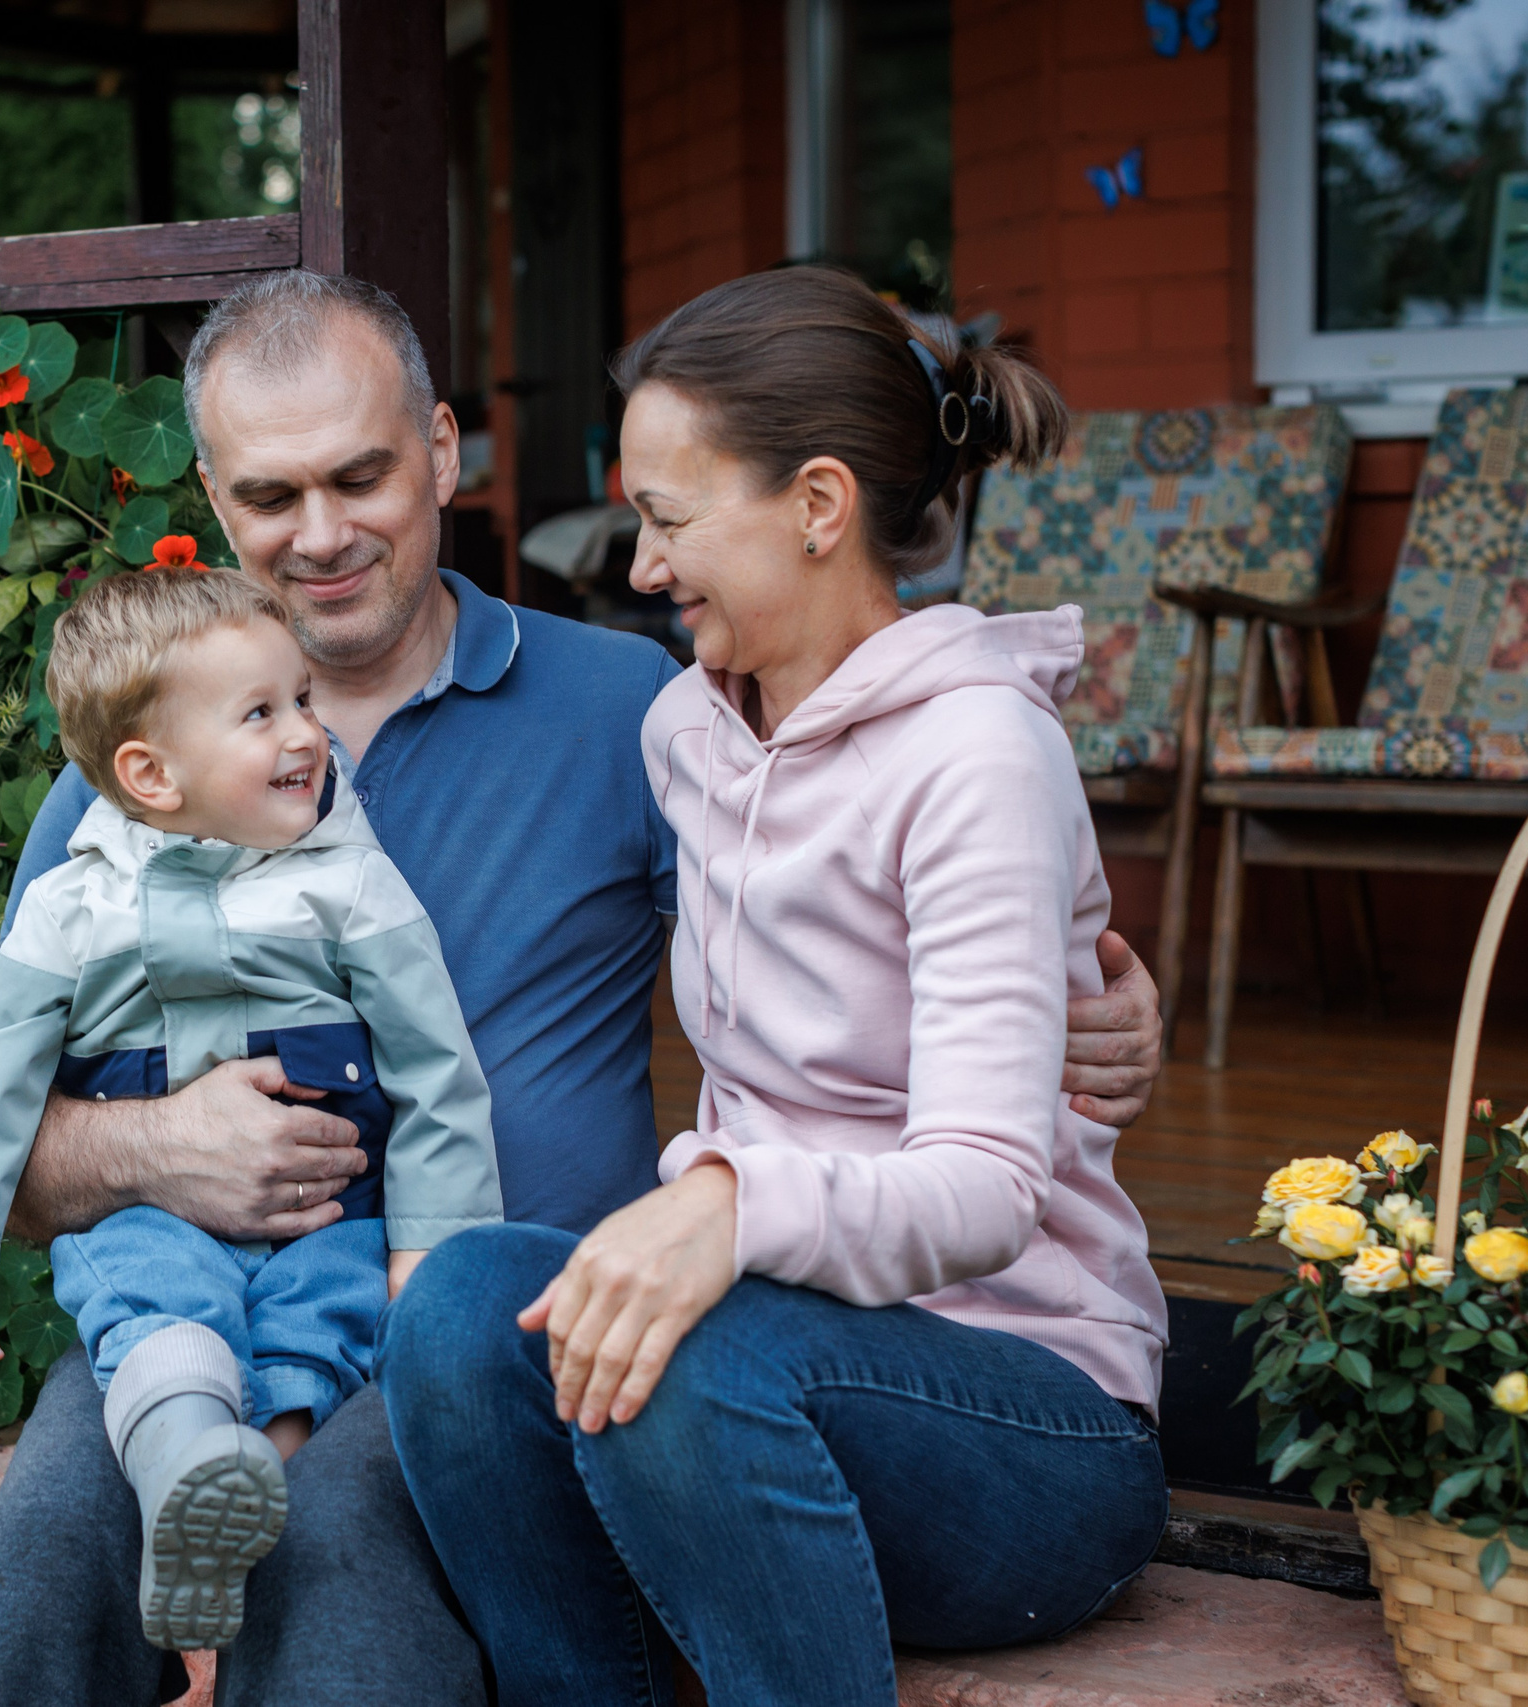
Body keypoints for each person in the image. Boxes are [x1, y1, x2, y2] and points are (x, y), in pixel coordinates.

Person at [0, 269, 1168, 1707]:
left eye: (360, 475)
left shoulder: (631, 709)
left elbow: (887, 910)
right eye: (269, 495)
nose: (318, 535)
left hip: (507, 1333)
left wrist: (1099, 1003)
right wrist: (153, 1144)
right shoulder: (135, 771)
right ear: (211, 493)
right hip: (188, 1310)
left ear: (442, 452)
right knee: (23, 1573)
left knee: (343, 1583)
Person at [381, 268, 1172, 1706]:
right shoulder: (690, 726)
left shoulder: (979, 754)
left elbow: (991, 1182)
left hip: (1028, 1420)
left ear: (818, 504)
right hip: (769, 1380)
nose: (638, 566)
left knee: (685, 1354)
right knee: (457, 1309)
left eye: (671, 520)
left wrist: (727, 1203)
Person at [0, 567, 499, 1652]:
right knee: (151, 1302)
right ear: (150, 774)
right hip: (152, 1220)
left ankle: (240, 1494)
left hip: (332, 1220)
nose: (308, 733)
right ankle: (184, 1473)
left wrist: (430, 1250)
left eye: (303, 699)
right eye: (261, 713)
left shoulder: (352, 887)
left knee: (327, 1320)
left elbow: (435, 1072)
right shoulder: (74, 904)